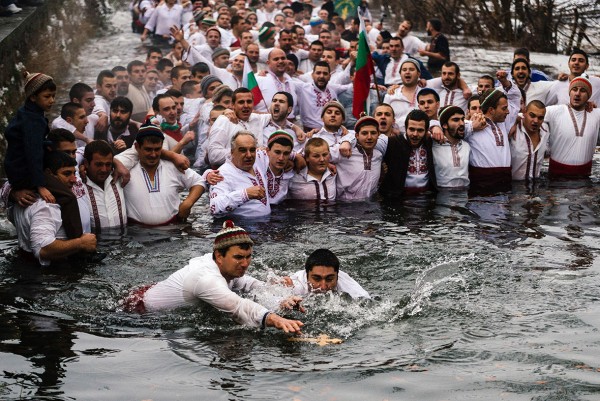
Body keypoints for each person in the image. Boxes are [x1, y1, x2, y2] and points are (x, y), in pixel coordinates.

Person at [126, 220, 304, 333]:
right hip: (137, 311)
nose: (245, 264)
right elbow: (238, 306)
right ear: (219, 256)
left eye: (248, 257)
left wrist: (281, 300)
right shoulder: (206, 279)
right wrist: (276, 319)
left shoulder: (226, 267)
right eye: (238, 257)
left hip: (154, 291)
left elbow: (251, 285)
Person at [8, 151, 97, 266]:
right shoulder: (47, 206)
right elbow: (42, 249)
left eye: (74, 173)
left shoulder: (20, 198)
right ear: (49, 174)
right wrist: (80, 243)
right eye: (66, 174)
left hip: (25, 268)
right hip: (51, 277)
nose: (73, 180)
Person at [115, 122, 206, 226]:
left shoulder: (172, 166)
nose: (153, 154)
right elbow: (108, 164)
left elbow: (199, 181)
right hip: (136, 235)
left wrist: (187, 204)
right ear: (137, 147)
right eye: (148, 149)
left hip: (172, 233)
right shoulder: (125, 168)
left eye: (157, 149)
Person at [4, 71, 57, 205]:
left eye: (53, 96)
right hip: (23, 174)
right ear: (33, 97)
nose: (52, 100)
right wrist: (40, 186)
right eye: (47, 96)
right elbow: (33, 153)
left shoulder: (26, 112)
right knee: (69, 197)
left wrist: (46, 143)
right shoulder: (33, 120)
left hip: (15, 171)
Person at [465, 71, 520, 191]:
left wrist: (504, 81)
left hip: (505, 184)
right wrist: (471, 127)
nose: (508, 112)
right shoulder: (472, 125)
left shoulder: (504, 122)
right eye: (504, 108)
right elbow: (451, 129)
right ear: (491, 110)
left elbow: (515, 98)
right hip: (482, 186)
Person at [544, 77, 600, 178]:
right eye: (574, 89)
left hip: (584, 180)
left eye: (583, 91)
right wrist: (517, 118)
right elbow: (530, 114)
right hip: (556, 179)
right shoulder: (555, 112)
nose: (577, 93)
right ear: (570, 93)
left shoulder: (595, 114)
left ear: (588, 96)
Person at [209, 131, 272, 217]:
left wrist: (294, 156)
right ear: (232, 152)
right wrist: (244, 195)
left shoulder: (258, 159)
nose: (249, 155)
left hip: (266, 224)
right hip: (242, 226)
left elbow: (275, 153)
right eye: (243, 150)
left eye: (252, 150)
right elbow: (215, 207)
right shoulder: (222, 174)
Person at [206, 88, 272, 167]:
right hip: (231, 174)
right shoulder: (223, 121)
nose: (246, 105)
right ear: (233, 105)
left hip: (257, 173)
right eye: (241, 102)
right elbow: (213, 156)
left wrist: (291, 125)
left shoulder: (257, 119)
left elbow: (277, 116)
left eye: (249, 102)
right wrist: (244, 152)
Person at [379, 109, 436, 197]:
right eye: (411, 129)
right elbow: (361, 140)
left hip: (426, 197)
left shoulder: (431, 142)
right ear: (405, 128)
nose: (415, 134)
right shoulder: (390, 142)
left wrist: (436, 126)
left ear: (426, 131)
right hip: (397, 199)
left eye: (420, 130)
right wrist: (349, 140)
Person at [333, 116, 383, 200]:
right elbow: (317, 154)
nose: (369, 137)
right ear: (357, 135)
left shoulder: (378, 155)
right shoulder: (344, 150)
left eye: (373, 133)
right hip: (345, 206)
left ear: (378, 135)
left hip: (370, 207)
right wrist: (327, 164)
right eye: (364, 133)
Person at [82, 141, 127, 231]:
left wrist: (117, 163)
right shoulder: (79, 187)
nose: (104, 169)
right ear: (86, 163)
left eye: (108, 164)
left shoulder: (118, 176)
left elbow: (138, 152)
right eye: (99, 164)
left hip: (123, 242)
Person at [290, 248, 369, 298]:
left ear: (337, 276)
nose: (323, 287)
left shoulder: (349, 287)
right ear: (306, 275)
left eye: (329, 279)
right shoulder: (295, 285)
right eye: (317, 279)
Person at [432, 106, 470, 188]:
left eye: (462, 119)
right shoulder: (434, 145)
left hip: (464, 193)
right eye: (456, 120)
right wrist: (434, 127)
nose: (462, 123)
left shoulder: (467, 146)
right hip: (442, 193)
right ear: (445, 125)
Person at [254, 131, 297, 204]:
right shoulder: (258, 160)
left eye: (286, 153)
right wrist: (295, 156)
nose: (281, 158)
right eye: (277, 152)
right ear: (268, 151)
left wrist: (296, 157)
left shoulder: (290, 171)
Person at [509, 100, 548, 181]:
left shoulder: (545, 131)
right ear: (524, 112)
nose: (536, 121)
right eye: (532, 115)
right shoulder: (513, 127)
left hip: (535, 185)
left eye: (540, 118)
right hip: (513, 185)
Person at [288, 137, 336, 201]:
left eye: (325, 155)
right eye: (316, 156)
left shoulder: (333, 173)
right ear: (307, 158)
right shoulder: (293, 175)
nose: (322, 159)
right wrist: (295, 156)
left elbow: (349, 142)